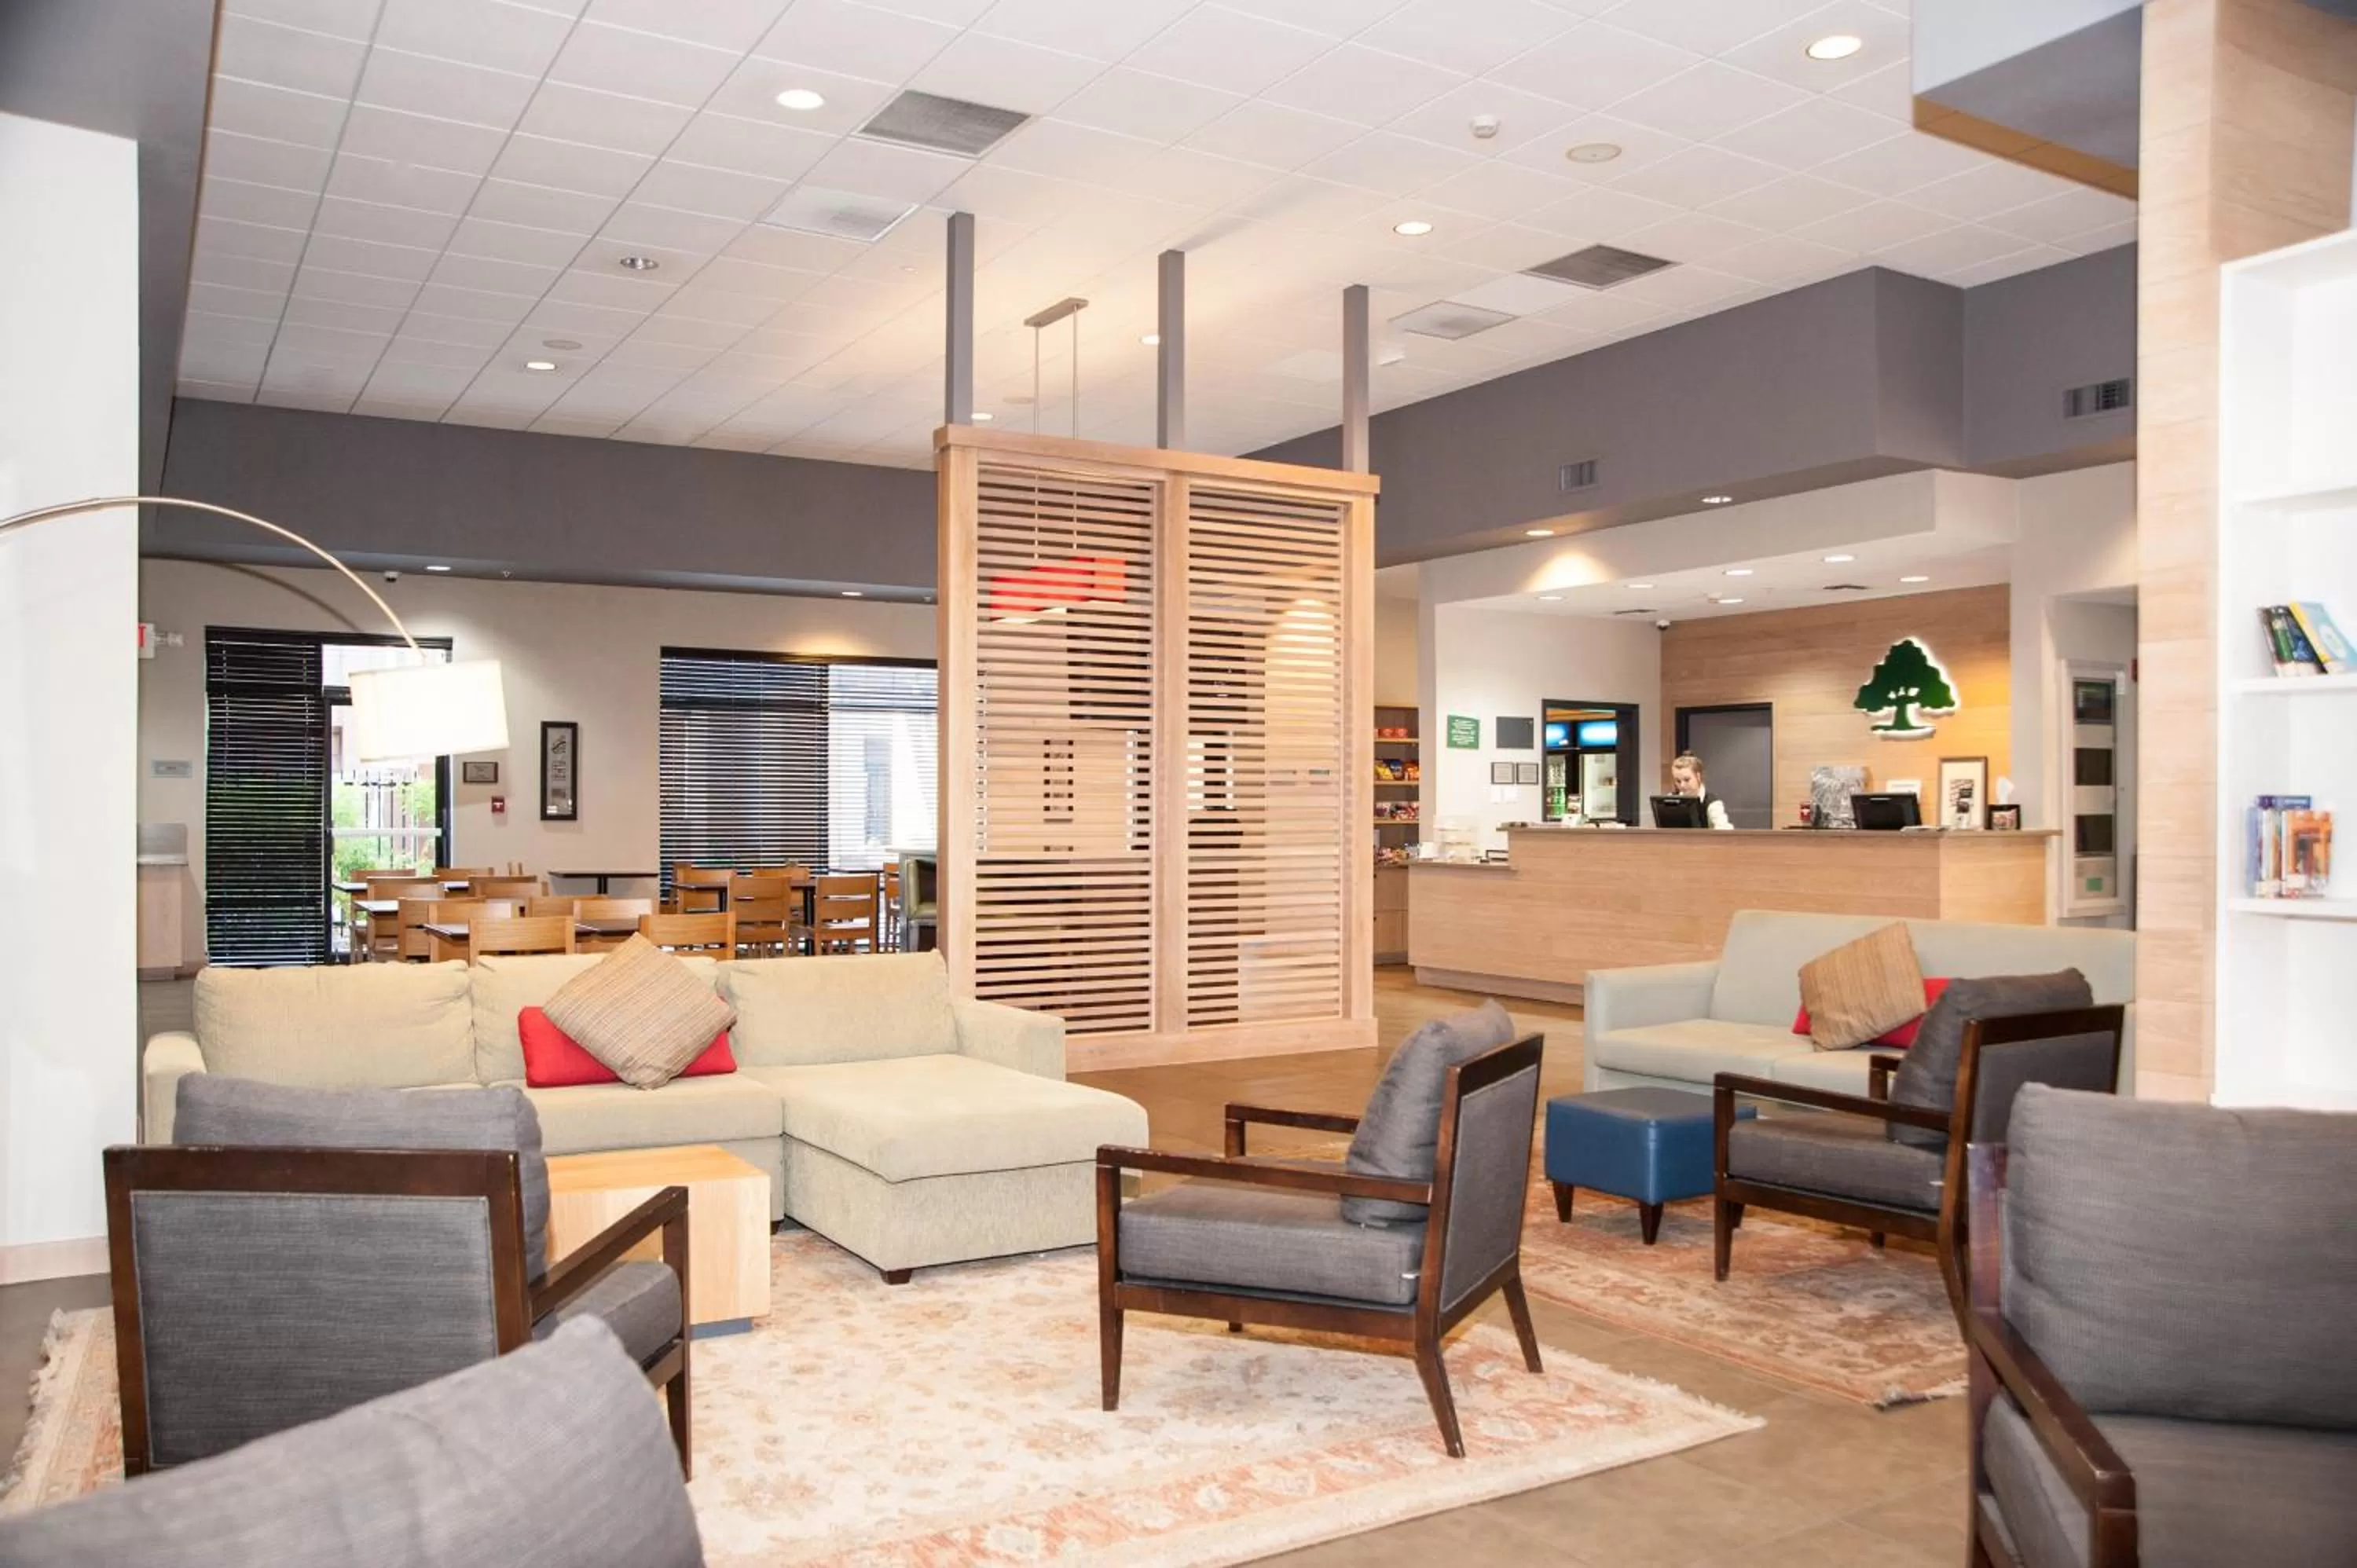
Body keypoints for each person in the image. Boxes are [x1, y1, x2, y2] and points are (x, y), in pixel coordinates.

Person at [1670, 753, 1734, 830]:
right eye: (1678, 781)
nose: (1682, 785)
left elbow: (1725, 830)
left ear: (1698, 776)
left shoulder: (1712, 803)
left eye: (1687, 780)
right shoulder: (1671, 799)